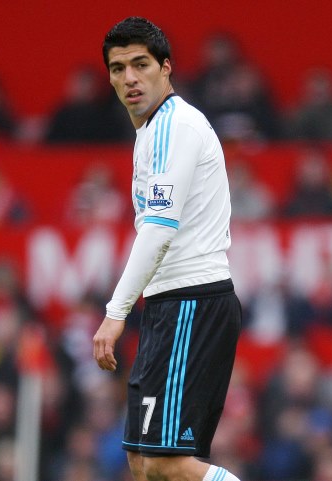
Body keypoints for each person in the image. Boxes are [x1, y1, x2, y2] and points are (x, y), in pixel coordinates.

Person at [92, 17, 242, 481]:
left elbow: (158, 229)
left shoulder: (173, 127)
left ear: (166, 67)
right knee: (143, 462)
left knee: (164, 463)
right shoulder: (154, 130)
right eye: (118, 69)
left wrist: (115, 312)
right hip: (171, 306)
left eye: (141, 64)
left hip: (191, 302)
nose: (129, 78)